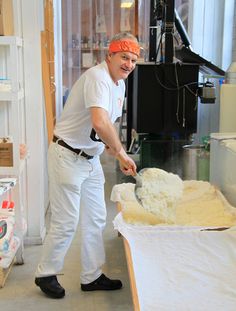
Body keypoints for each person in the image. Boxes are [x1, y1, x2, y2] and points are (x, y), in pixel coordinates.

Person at [35, 32, 140, 299]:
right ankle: (45, 273)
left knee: (96, 218)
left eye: (133, 59)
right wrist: (121, 154)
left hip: (90, 159)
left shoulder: (119, 84)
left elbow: (106, 125)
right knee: (66, 220)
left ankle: (91, 276)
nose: (128, 64)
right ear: (110, 55)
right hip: (67, 156)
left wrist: (114, 150)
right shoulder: (98, 77)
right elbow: (99, 122)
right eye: (124, 57)